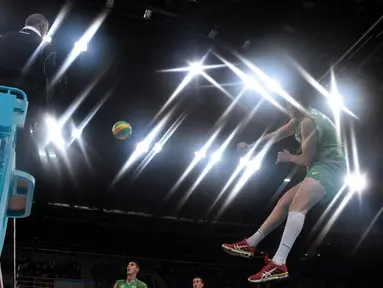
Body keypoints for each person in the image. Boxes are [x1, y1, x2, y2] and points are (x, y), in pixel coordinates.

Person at [222, 92, 347, 283]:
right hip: (321, 167)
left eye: (290, 103)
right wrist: (251, 145)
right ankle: (250, 244)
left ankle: (279, 263)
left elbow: (306, 159)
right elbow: (276, 134)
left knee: (298, 208)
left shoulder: (308, 122)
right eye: (286, 103)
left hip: (331, 169)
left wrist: (288, 157)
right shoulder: (298, 118)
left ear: (301, 103)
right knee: (284, 202)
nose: (287, 106)